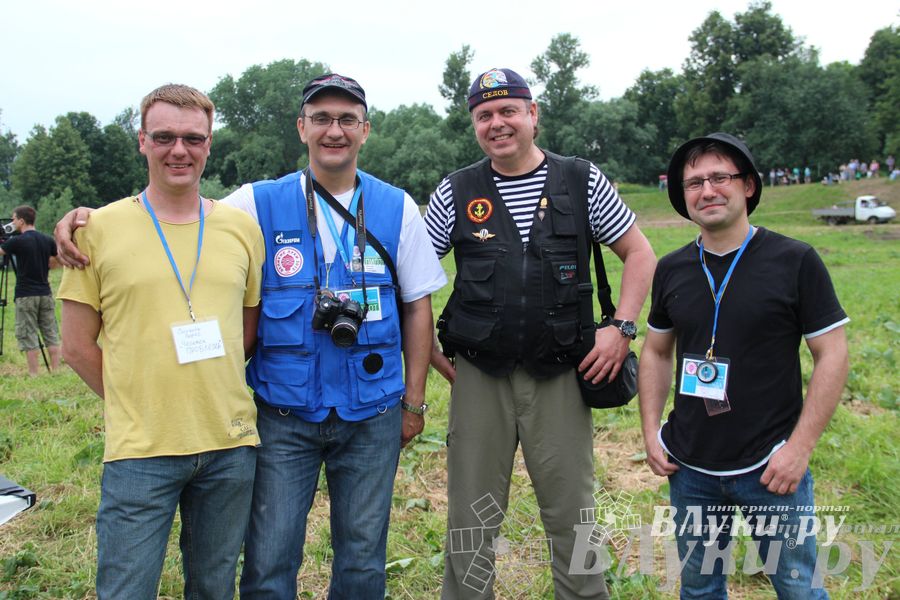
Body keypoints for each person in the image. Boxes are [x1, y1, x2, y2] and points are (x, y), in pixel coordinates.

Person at [55, 74, 447, 599]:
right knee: (268, 559)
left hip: (371, 412)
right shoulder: (254, 204)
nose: (334, 130)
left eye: (347, 119)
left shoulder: (397, 207)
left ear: (365, 130)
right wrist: (85, 219)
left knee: (362, 558)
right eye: (321, 118)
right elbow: (179, 210)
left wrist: (413, 404)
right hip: (284, 415)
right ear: (301, 127)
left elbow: (418, 307)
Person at [425, 68, 656, 599]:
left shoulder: (581, 179)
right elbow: (412, 277)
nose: (497, 123)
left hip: (560, 371)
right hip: (480, 372)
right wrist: (431, 354)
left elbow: (640, 254)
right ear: (474, 125)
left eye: (508, 110)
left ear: (533, 114)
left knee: (574, 512)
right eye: (484, 115)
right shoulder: (456, 191)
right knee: (470, 516)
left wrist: (621, 328)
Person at [57, 84, 265, 599]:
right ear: (142, 141)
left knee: (214, 588)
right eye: (164, 137)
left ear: (209, 144)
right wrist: (137, 400)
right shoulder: (95, 229)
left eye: (193, 138)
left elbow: (247, 331)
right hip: (140, 450)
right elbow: (77, 346)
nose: (179, 150)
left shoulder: (242, 229)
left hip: (229, 446)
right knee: (126, 589)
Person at [638, 132, 849, 599]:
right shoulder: (671, 268)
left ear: (748, 185)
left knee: (798, 589)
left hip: (771, 464)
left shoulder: (795, 261)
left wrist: (799, 449)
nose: (707, 191)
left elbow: (832, 353)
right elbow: (656, 351)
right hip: (689, 466)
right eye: (694, 183)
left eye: (720, 177)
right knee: (698, 590)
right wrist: (651, 431)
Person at [0, 205, 61, 375]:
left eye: (13, 219)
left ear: (21, 221)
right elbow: (56, 260)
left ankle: (34, 373)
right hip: (45, 292)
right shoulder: (47, 240)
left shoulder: (17, 241)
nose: (12, 223)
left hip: (25, 294)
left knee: (28, 334)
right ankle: (56, 371)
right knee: (50, 332)